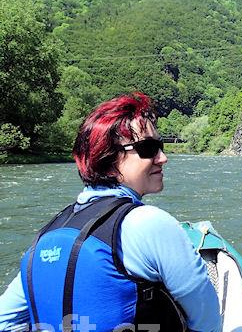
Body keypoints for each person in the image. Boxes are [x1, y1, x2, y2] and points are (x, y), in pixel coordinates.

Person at [0, 92, 221, 332]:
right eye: (148, 148)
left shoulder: (46, 235)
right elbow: (207, 321)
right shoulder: (149, 222)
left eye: (160, 146)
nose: (163, 158)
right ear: (108, 158)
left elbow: (5, 321)